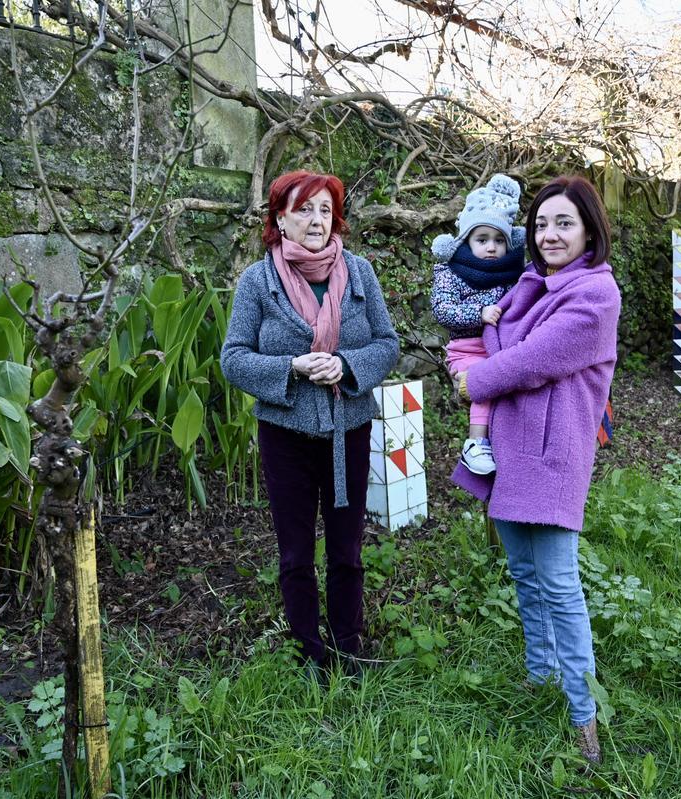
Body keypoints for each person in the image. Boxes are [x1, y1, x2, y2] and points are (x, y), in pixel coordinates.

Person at [451, 175, 621, 764]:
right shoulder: (535, 285)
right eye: (541, 224)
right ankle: (540, 677)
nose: (549, 235)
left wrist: (476, 377)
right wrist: (497, 340)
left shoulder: (595, 296)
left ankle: (584, 718)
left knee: (559, 584)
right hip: (512, 448)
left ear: (590, 230)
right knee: (524, 575)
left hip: (552, 456)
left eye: (564, 223)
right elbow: (503, 338)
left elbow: (529, 360)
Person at [220, 170, 399, 679]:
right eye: (304, 209)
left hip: (350, 429)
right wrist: (290, 368)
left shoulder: (359, 272)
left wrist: (346, 365)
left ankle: (348, 646)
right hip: (286, 437)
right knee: (296, 551)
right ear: (280, 218)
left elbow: (387, 344)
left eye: (325, 209)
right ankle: (307, 652)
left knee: (347, 548)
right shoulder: (259, 281)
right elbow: (233, 359)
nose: (316, 220)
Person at [430, 174, 527, 475]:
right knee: (483, 382)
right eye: (482, 239)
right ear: (466, 240)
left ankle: (502, 444)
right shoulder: (451, 271)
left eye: (499, 240)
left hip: (500, 347)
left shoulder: (513, 272)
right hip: (467, 349)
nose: (491, 247)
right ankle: (475, 442)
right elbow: (442, 309)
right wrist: (479, 312)